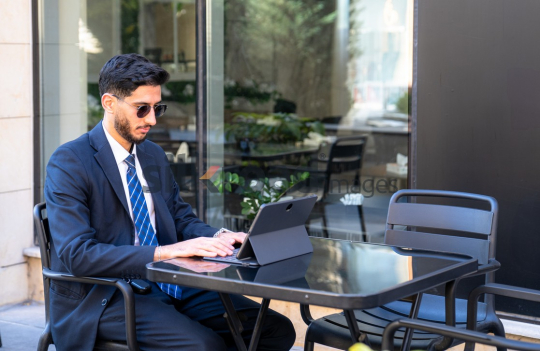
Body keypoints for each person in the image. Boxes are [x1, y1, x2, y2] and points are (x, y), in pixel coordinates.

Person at [44, 53, 296, 351]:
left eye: (157, 108)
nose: (152, 119)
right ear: (109, 103)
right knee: (205, 346)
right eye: (142, 109)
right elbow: (78, 255)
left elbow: (180, 218)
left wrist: (221, 237)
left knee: (275, 329)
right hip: (107, 294)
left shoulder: (152, 155)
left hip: (170, 280)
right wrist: (166, 251)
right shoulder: (70, 162)